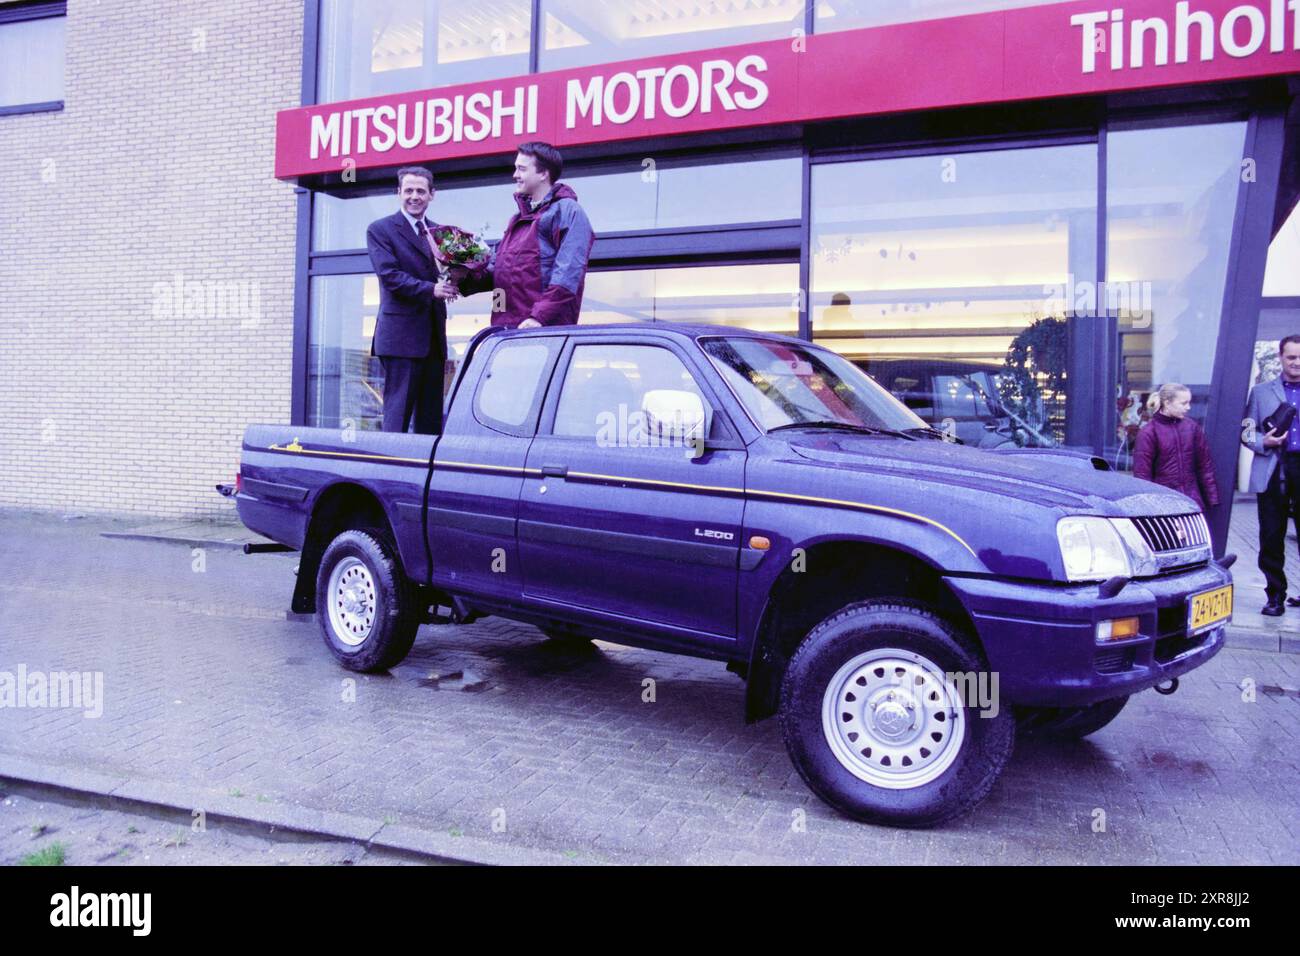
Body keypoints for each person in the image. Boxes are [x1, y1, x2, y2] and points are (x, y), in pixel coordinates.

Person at [455, 141, 594, 328]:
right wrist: (464, 276)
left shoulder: (568, 212)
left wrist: (539, 318)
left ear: (543, 173)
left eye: (521, 169)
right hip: (506, 335)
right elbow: (497, 274)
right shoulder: (516, 221)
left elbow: (568, 275)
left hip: (543, 333)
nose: (515, 175)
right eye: (515, 169)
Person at [365, 166, 460, 434]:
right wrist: (433, 290)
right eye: (408, 190)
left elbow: (449, 273)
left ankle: (423, 476)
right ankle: (388, 473)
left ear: (432, 195)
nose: (414, 196)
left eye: (421, 191)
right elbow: (390, 276)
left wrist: (461, 276)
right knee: (398, 417)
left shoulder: (440, 233)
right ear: (398, 193)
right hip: (400, 340)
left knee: (430, 420)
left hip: (433, 340)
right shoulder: (380, 230)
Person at [1243, 334, 1300, 615]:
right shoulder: (1261, 392)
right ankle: (1275, 595)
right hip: (1273, 467)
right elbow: (1246, 431)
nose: (1297, 363)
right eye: (1291, 357)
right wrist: (1264, 442)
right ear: (1280, 357)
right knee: (1271, 534)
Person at [1133, 383, 1220, 517]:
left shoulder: (1192, 428)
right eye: (1183, 403)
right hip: (1164, 506)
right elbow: (1142, 476)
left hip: (1192, 503)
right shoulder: (1148, 433)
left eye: (1189, 403)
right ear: (1167, 403)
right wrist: (1148, 508)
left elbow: (1204, 466)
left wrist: (1212, 498)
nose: (1188, 407)